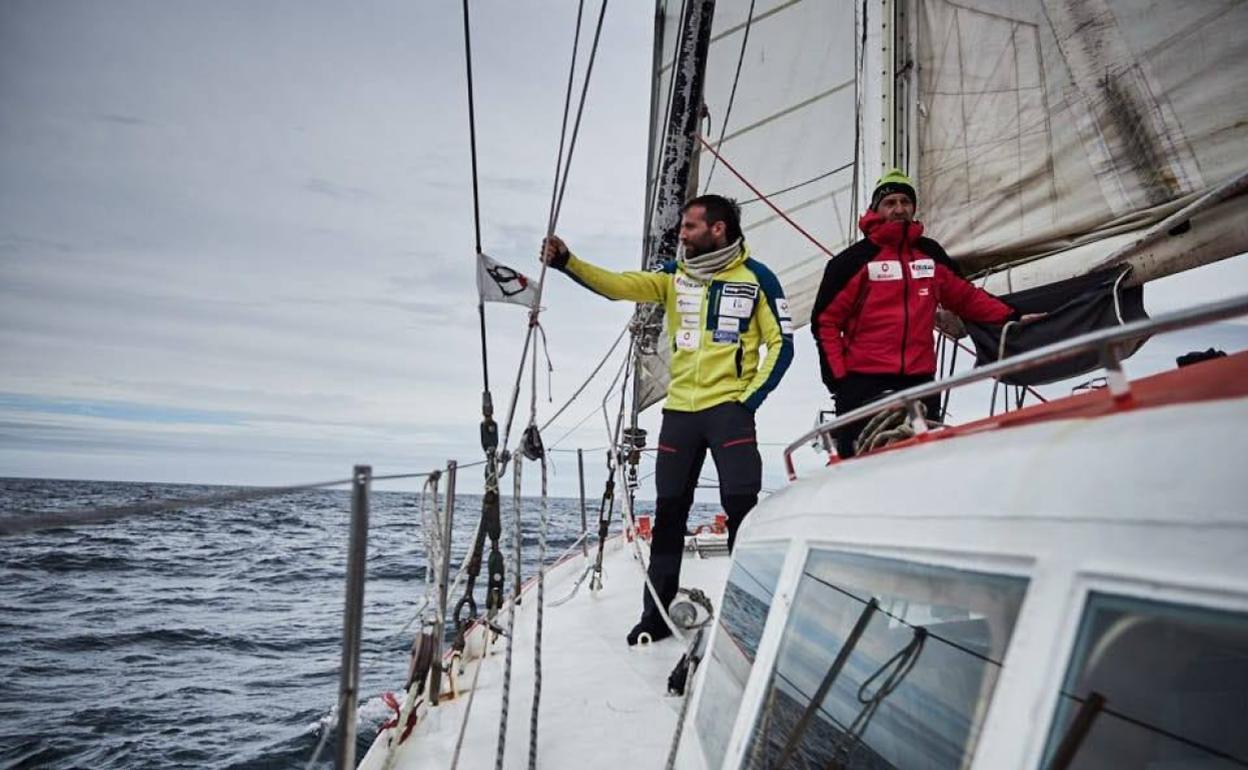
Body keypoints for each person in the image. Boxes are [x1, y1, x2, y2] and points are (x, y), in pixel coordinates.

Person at [542, 194, 793, 645]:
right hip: (679, 414)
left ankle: (749, 620)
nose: (681, 233)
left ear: (718, 230)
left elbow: (782, 346)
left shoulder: (758, 278)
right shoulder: (672, 277)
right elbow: (620, 285)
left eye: (690, 226)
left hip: (730, 413)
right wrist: (568, 263)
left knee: (743, 512)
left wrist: (746, 402)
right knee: (669, 516)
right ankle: (655, 617)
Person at [811, 169, 1037, 457]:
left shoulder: (930, 254)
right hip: (862, 382)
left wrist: (1013, 318)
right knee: (860, 463)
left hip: (920, 380)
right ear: (876, 209)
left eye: (905, 202)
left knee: (920, 462)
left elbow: (966, 297)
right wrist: (838, 379)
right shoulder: (852, 262)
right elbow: (825, 322)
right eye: (890, 202)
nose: (899, 209)